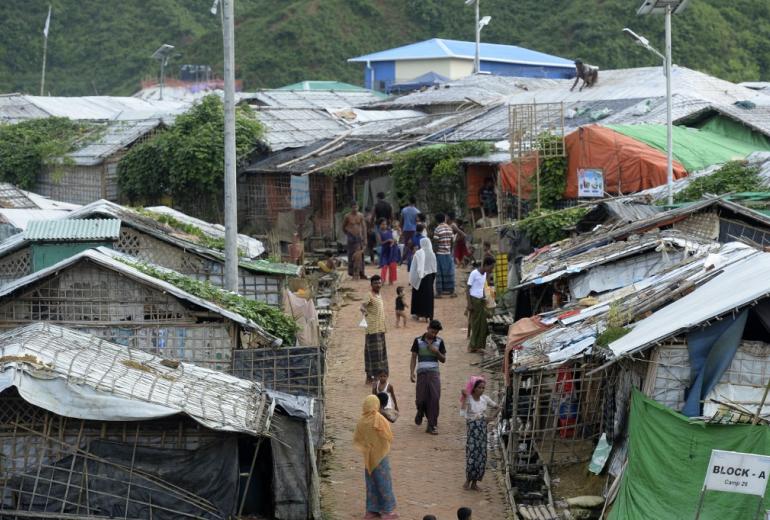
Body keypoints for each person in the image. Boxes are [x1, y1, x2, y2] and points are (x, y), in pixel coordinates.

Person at [353, 395, 398, 519]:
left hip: (369, 456)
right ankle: (387, 511)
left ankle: (371, 510)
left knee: (371, 482)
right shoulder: (379, 418)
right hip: (381, 455)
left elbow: (358, 439)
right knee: (384, 482)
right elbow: (388, 436)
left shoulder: (361, 421)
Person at [460, 377, 498, 491]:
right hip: (472, 431)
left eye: (483, 388)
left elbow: (497, 406)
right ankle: (468, 480)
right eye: (479, 387)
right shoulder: (469, 399)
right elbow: (463, 414)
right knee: (471, 455)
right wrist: (465, 397)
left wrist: (491, 417)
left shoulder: (485, 399)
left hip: (482, 431)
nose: (481, 390)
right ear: (474, 388)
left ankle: (475, 483)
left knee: (481, 457)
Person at [410, 319, 446, 435]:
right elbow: (414, 357)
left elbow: (443, 359)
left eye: (436, 333)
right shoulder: (417, 341)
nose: (433, 334)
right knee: (421, 399)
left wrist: (436, 352)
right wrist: (411, 372)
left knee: (435, 398)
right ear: (427, 328)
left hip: (434, 373)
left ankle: (431, 425)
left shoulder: (440, 342)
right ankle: (420, 411)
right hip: (421, 373)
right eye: (432, 331)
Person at [361, 275, 388, 385]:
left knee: (378, 353)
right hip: (372, 329)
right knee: (374, 354)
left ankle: (371, 376)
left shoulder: (378, 295)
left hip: (380, 328)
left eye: (379, 283)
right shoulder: (369, 295)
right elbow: (362, 306)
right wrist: (364, 312)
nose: (378, 285)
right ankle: (375, 377)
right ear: (371, 284)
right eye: (375, 283)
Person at [467, 257, 495, 352]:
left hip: (481, 301)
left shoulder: (485, 275)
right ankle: (472, 346)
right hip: (474, 301)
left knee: (483, 325)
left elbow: (482, 288)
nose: (491, 270)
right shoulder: (474, 273)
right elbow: (468, 289)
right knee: (476, 325)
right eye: (491, 267)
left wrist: (485, 300)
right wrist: (469, 304)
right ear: (486, 265)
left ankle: (479, 346)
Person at [409, 237, 437, 322]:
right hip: (429, 278)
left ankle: (417, 314)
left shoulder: (418, 253)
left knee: (418, 296)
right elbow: (434, 268)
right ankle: (428, 315)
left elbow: (413, 267)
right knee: (428, 297)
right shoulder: (432, 254)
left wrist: (412, 279)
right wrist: (432, 279)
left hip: (419, 278)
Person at [433, 213, 456, 298]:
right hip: (448, 253)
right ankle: (451, 291)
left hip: (440, 253)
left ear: (437, 220)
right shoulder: (449, 228)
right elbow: (452, 241)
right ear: (444, 219)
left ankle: (439, 293)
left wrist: (434, 253)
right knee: (450, 272)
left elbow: (436, 243)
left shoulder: (437, 229)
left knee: (439, 273)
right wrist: (450, 251)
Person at [343, 202, 367, 279]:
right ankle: (353, 273)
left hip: (359, 237)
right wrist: (348, 233)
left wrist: (365, 238)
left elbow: (364, 227)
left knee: (359, 255)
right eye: (353, 207)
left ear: (358, 207)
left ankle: (360, 272)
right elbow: (343, 227)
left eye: (356, 207)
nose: (355, 209)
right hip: (351, 237)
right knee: (351, 255)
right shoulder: (347, 216)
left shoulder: (360, 215)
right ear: (351, 208)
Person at [378, 219, 400, 285]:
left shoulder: (390, 231)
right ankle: (382, 280)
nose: (384, 226)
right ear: (379, 225)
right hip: (385, 251)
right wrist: (388, 240)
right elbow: (380, 243)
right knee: (384, 266)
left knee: (392, 266)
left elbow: (396, 238)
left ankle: (391, 280)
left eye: (385, 224)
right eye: (382, 224)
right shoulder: (379, 233)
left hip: (392, 250)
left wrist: (393, 241)